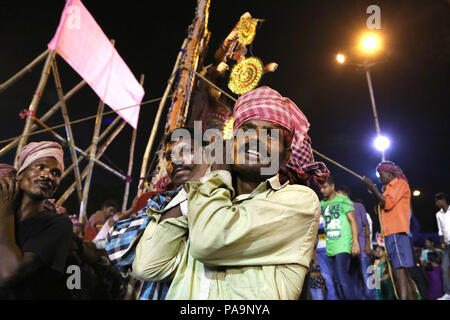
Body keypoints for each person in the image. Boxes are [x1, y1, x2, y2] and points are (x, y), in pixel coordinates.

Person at [133, 86, 330, 299]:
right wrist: (197, 184)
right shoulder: (206, 199)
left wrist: (215, 173)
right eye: (246, 130)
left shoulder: (298, 201)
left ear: (284, 157)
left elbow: (208, 242)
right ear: (232, 143)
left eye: (269, 135)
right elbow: (147, 267)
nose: (254, 139)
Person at [107, 127, 207, 300]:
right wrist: (186, 198)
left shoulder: (222, 199)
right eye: (169, 157)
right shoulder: (162, 202)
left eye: (186, 151)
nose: (176, 161)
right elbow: (117, 248)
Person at [0, 141, 72, 299]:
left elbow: (8, 274)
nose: (47, 176)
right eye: (40, 167)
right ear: (19, 174)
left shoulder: (58, 224)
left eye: (55, 173)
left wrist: (5, 211)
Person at [362, 161, 417, 300]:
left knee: (399, 272)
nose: (380, 178)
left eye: (381, 175)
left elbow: (387, 204)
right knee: (399, 272)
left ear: (389, 173)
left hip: (397, 232)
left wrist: (373, 189)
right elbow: (378, 209)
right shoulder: (386, 189)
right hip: (389, 234)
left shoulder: (400, 184)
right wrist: (375, 192)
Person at [320, 176, 360, 300]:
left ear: (332, 186)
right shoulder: (322, 204)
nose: (322, 190)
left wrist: (355, 242)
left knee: (342, 277)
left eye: (325, 187)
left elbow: (353, 220)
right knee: (336, 279)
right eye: (320, 188)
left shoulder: (343, 200)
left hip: (343, 243)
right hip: (330, 245)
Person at [336, 186, 375, 300]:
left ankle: (371, 298)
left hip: (362, 246)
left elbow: (366, 225)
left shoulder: (358, 206)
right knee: (352, 277)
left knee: (367, 276)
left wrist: (368, 244)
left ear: (345, 194)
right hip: (347, 249)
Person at [316, 215, 339, 300]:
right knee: (329, 277)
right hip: (323, 250)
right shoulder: (326, 216)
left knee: (329, 277)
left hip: (326, 249)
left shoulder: (318, 218)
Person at [434, 192, 450, 300]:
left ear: (443, 200)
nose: (436, 204)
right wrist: (442, 244)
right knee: (444, 268)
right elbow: (440, 231)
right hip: (448, 245)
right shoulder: (438, 215)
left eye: (437, 202)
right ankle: (448, 293)